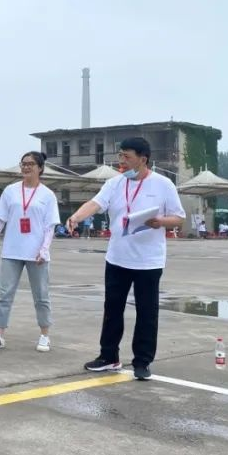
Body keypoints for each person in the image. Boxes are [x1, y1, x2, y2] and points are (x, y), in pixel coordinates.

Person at [65, 137, 186, 380]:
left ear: (143, 159)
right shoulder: (114, 183)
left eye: (127, 156)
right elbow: (95, 203)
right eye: (120, 155)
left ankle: (142, 361)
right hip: (117, 258)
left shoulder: (163, 185)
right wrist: (76, 217)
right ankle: (108, 356)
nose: (121, 161)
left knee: (147, 313)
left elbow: (179, 218)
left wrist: (160, 222)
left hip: (148, 261)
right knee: (112, 309)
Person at [0, 151, 61, 352]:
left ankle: (44, 335)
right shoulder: (10, 191)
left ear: (40, 168)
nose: (26, 167)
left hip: (37, 255)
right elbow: (0, 219)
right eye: (23, 164)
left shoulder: (47, 195)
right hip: (12, 251)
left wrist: (44, 249)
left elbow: (50, 226)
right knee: (4, 295)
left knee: (41, 296)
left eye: (30, 164)